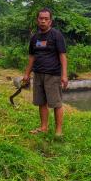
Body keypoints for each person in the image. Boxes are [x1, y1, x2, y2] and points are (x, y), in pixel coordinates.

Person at [22, 8, 68, 137]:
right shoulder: (35, 38)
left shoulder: (56, 35)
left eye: (46, 19)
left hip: (53, 75)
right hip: (38, 74)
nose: (43, 21)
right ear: (37, 20)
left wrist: (64, 75)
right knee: (41, 102)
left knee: (56, 103)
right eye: (41, 18)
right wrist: (27, 74)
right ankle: (44, 127)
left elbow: (62, 55)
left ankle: (58, 131)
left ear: (50, 21)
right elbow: (32, 57)